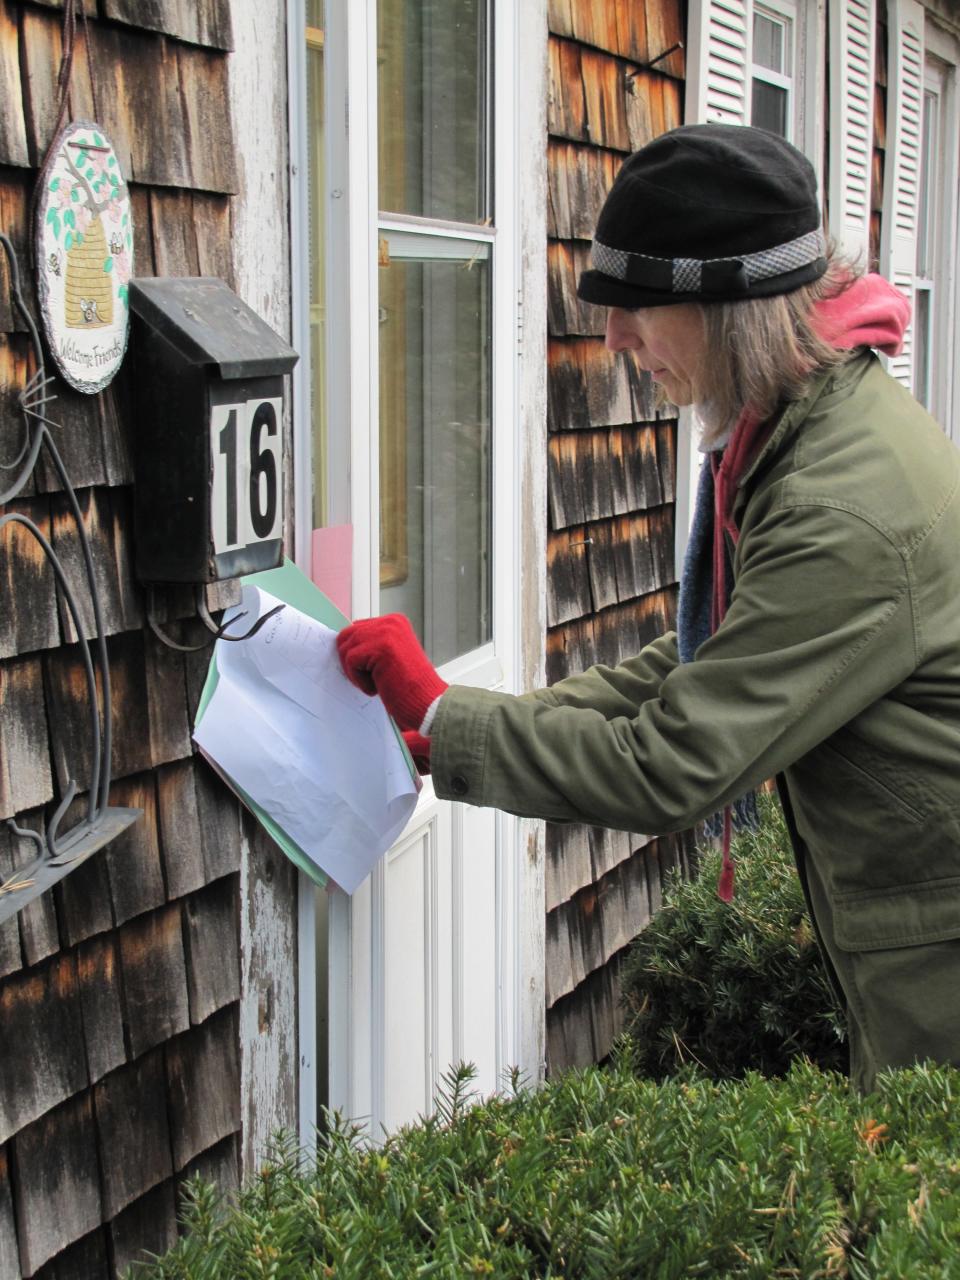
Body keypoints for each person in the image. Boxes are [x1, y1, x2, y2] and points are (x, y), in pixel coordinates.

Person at [337, 124, 960, 1093]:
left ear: (729, 307)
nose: (616, 339)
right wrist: (453, 719)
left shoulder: (839, 504)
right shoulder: (813, 430)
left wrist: (447, 720)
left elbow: (675, 761)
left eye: (637, 307)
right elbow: (702, 657)